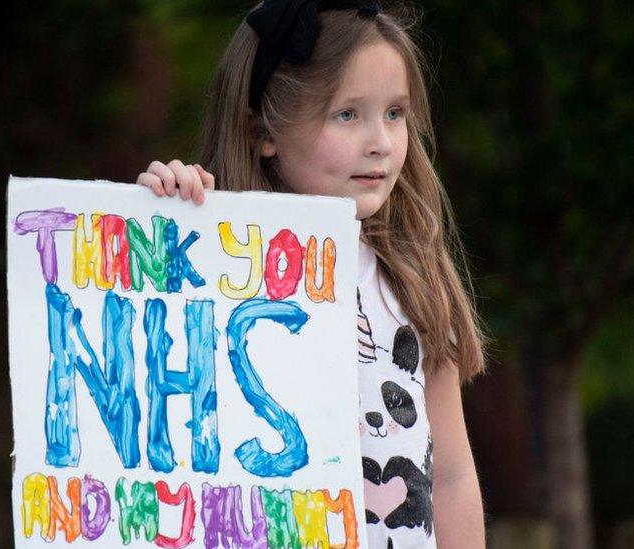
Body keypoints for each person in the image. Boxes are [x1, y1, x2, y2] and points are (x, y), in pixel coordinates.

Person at [134, 2, 486, 547]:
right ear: (264, 132)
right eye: (348, 114)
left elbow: (452, 476)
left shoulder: (414, 278)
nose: (381, 142)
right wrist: (165, 214)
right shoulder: (210, 267)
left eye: (395, 113)